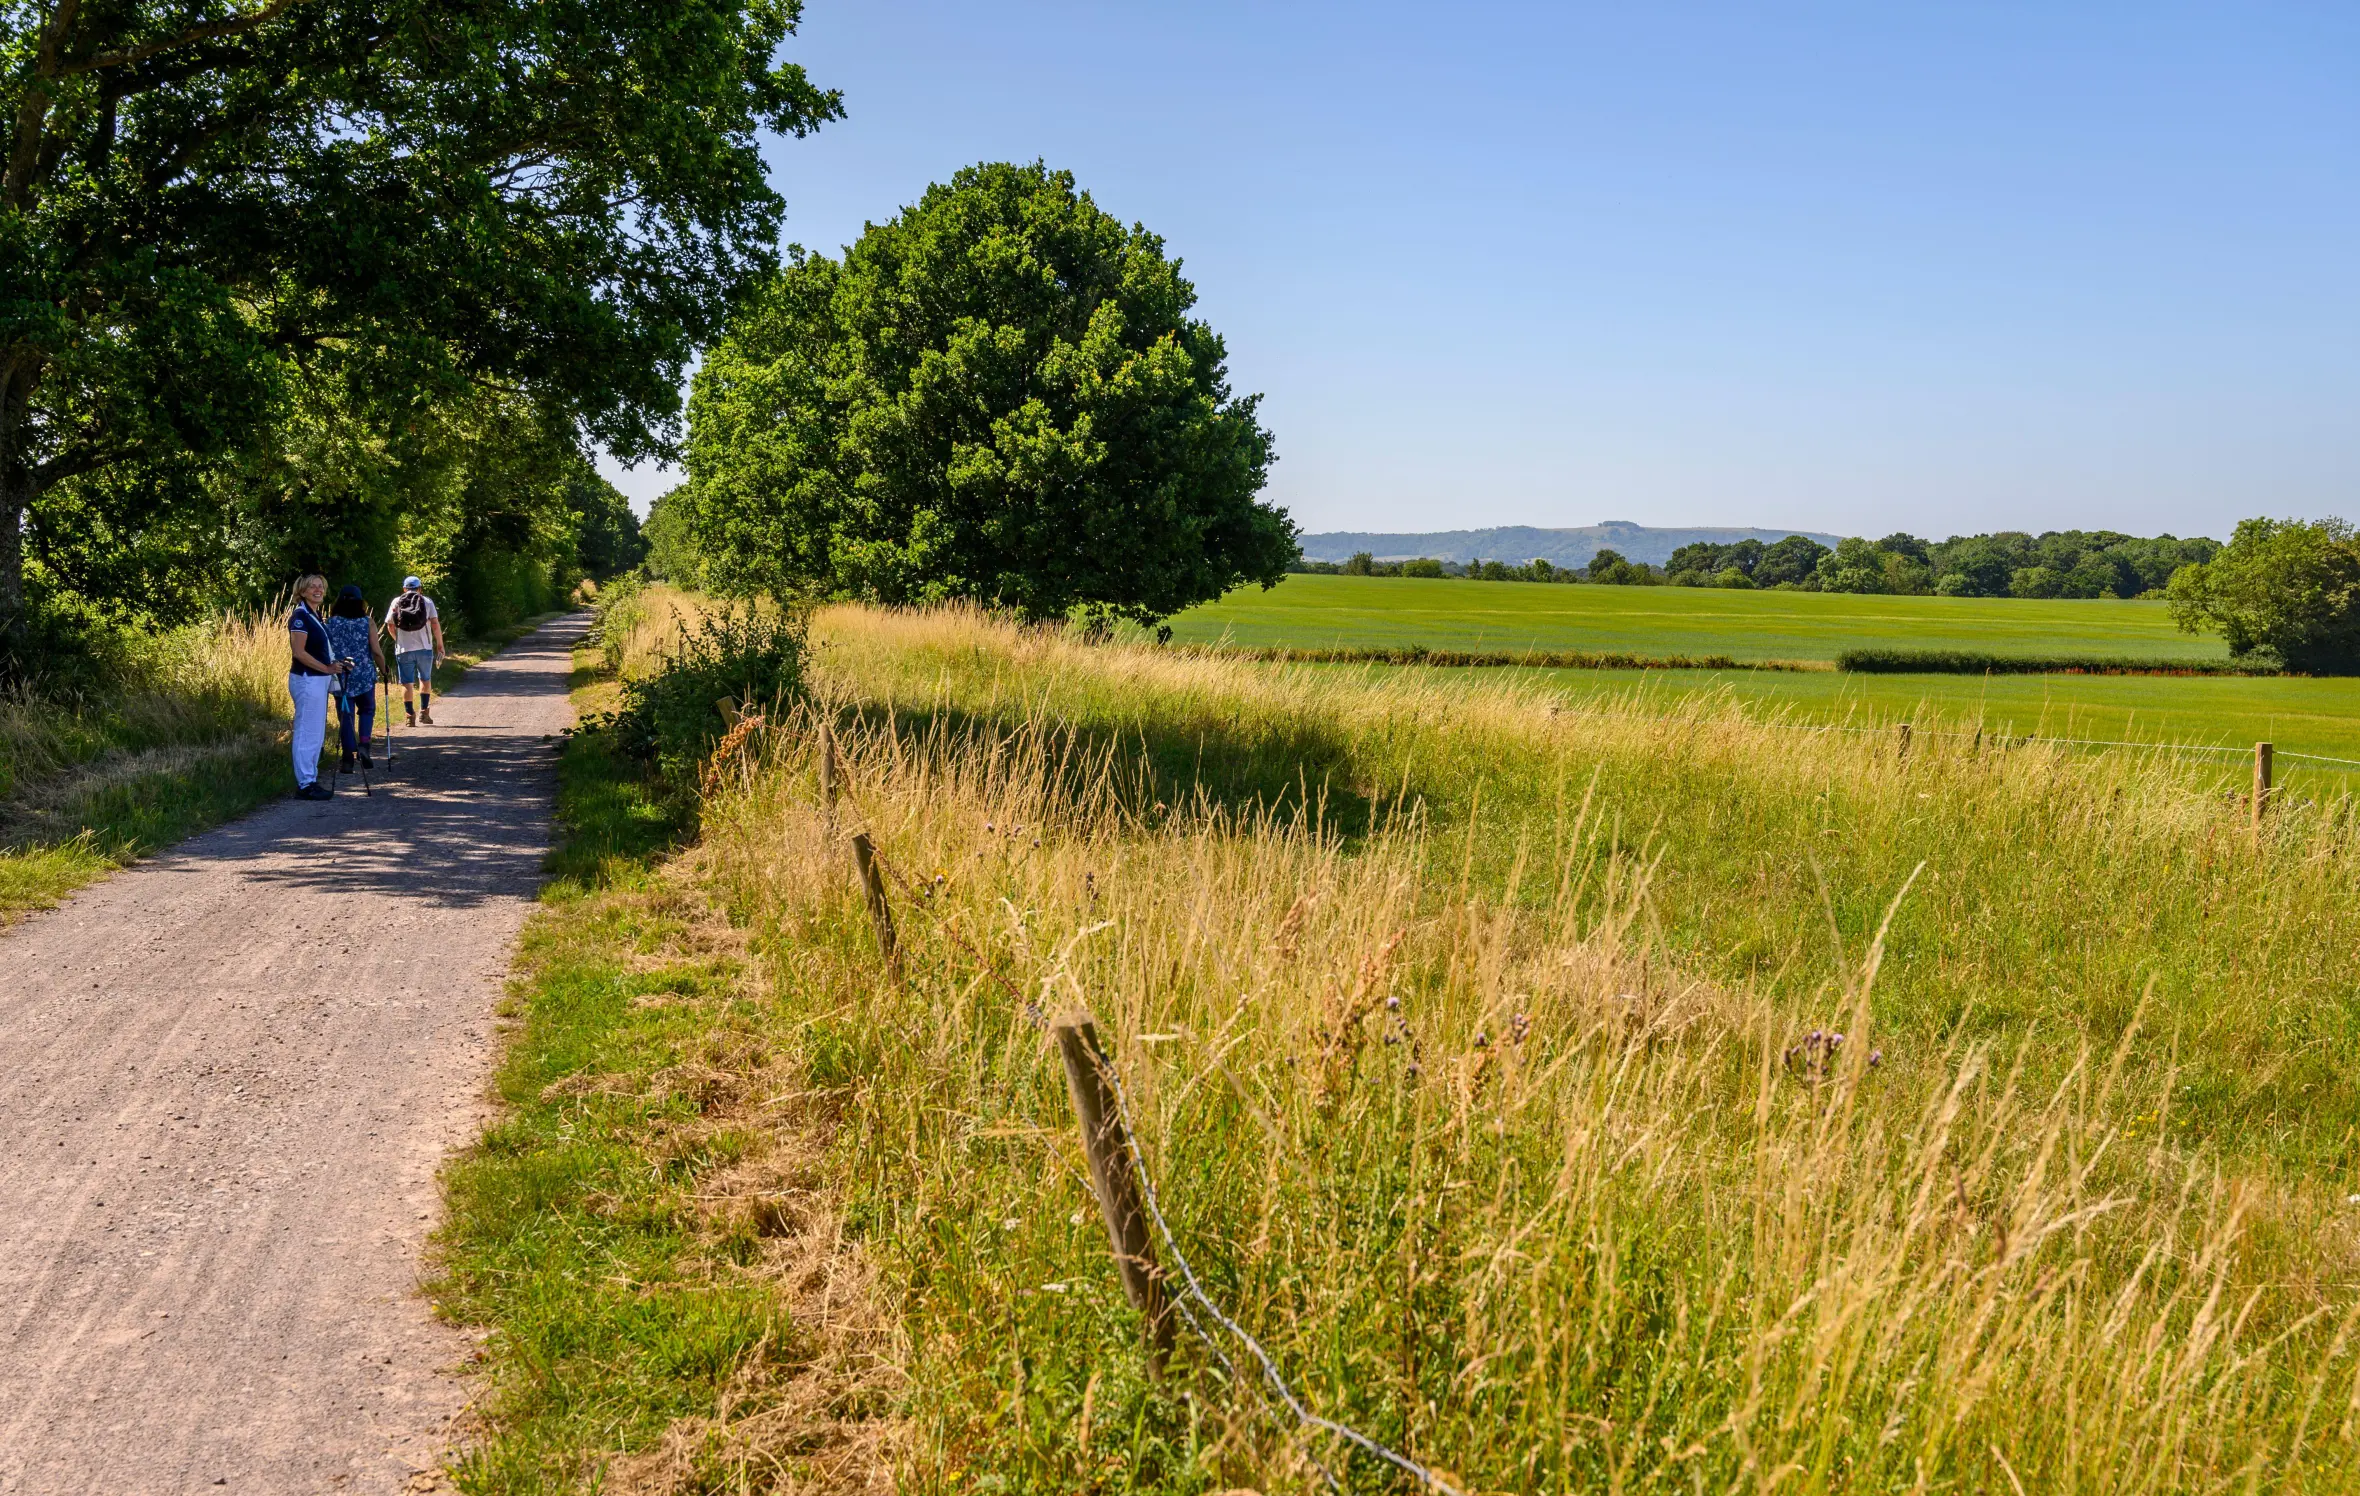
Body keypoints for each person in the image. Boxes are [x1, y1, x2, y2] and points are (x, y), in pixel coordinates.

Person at [286, 574, 346, 800]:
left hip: (317, 679)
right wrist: (326, 668)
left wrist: (334, 666)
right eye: (312, 586)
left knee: (315, 732)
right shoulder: (300, 617)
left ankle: (310, 779)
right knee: (307, 732)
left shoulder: (315, 616)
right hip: (307, 679)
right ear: (302, 591)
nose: (318, 589)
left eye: (321, 586)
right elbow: (299, 652)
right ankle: (305, 784)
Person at [326, 584, 383, 773]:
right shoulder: (367, 621)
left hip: (341, 674)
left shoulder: (330, 622)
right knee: (367, 710)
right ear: (361, 602)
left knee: (346, 716)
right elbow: (376, 651)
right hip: (364, 675)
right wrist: (384, 669)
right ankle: (364, 746)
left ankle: (347, 759)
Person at [383, 575, 445, 726]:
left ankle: (409, 715)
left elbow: (390, 625)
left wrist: (398, 640)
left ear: (404, 588)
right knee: (425, 679)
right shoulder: (427, 601)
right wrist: (440, 645)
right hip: (424, 648)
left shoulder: (396, 602)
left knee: (407, 683)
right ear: (420, 589)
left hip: (403, 650)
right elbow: (435, 624)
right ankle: (424, 713)